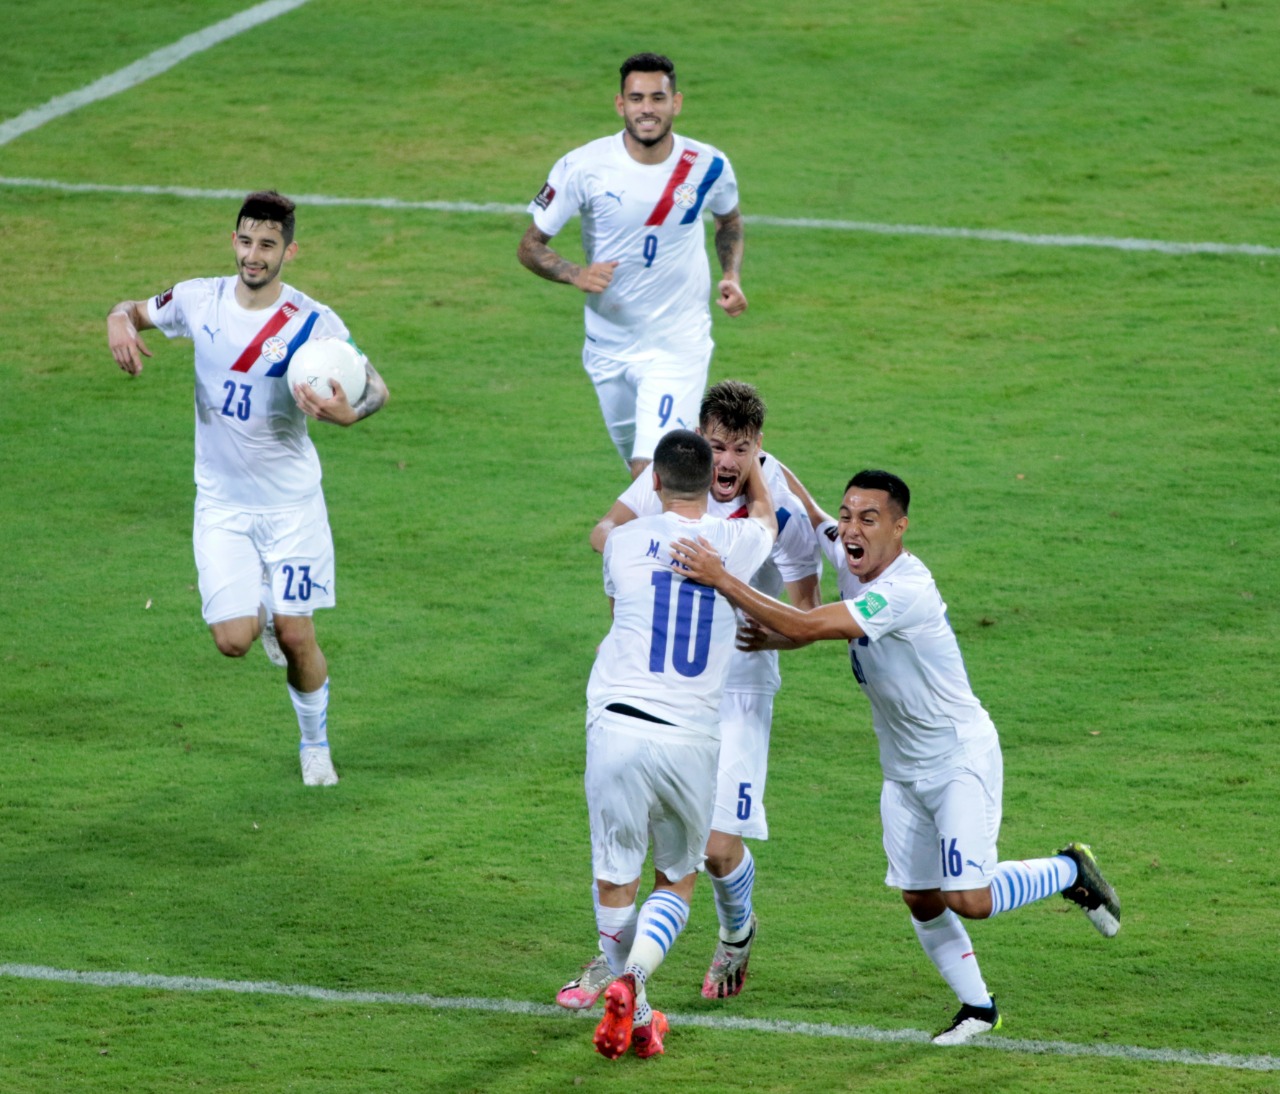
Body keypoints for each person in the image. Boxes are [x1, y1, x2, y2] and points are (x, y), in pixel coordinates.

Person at [669, 469, 1122, 1044]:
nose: (853, 529)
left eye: (870, 519)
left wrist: (721, 578)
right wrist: (760, 467)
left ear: (900, 528)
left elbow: (810, 626)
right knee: (920, 894)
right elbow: (812, 514)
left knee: (970, 898)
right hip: (902, 769)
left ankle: (1069, 870)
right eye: (850, 515)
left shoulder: (905, 589)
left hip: (958, 759)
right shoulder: (851, 550)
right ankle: (979, 1009)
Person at [107, 190, 389, 788]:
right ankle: (256, 612)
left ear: (290, 249)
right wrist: (116, 321)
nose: (253, 255)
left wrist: (350, 415)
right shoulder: (197, 299)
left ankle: (315, 744)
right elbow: (132, 309)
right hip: (223, 506)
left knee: (296, 632)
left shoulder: (314, 322)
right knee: (233, 641)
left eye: (267, 244)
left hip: (292, 508)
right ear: (233, 240)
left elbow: (377, 389)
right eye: (245, 241)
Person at [558, 380, 819, 1012]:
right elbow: (603, 530)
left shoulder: (779, 503)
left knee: (719, 848)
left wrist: (769, 637)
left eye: (742, 448)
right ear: (701, 444)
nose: (727, 461)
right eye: (717, 445)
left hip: (741, 685)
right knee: (664, 848)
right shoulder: (673, 475)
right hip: (666, 687)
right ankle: (616, 968)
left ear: (759, 448)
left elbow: (807, 612)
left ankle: (736, 932)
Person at [580, 429, 776, 1060]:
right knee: (677, 877)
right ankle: (635, 984)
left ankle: (630, 1001)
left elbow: (620, 613)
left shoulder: (625, 541)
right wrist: (755, 469)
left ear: (656, 482)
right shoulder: (738, 542)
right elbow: (768, 519)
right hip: (691, 735)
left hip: (617, 722)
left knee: (616, 876)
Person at [517, 52, 747, 480]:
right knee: (641, 475)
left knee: (657, 471)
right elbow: (530, 246)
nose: (647, 108)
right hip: (608, 345)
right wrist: (574, 273)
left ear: (675, 103)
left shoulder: (707, 165)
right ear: (620, 104)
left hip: (677, 344)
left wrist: (730, 275)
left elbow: (728, 219)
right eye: (637, 98)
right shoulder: (582, 167)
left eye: (657, 98)